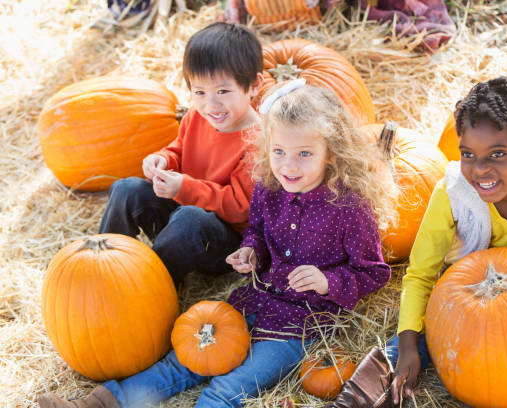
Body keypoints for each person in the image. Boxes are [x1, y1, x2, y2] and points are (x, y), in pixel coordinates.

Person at [38, 82, 398, 407]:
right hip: (256, 297)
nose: (288, 166)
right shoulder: (269, 186)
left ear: (331, 153)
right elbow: (255, 230)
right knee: (182, 363)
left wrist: (326, 281)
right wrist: (251, 251)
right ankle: (94, 405)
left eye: (305, 154)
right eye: (278, 152)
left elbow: (373, 273)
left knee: (226, 390)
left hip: (301, 325)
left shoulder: (349, 208)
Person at [328, 76, 507, 408]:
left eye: (498, 154)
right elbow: (421, 274)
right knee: (415, 339)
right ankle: (357, 399)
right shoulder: (451, 193)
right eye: (468, 154)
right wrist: (408, 346)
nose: (480, 170)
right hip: (470, 286)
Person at [97, 22, 263, 286]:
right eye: (200, 92)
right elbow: (180, 149)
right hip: (182, 211)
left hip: (220, 241)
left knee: (191, 217)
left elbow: (238, 208)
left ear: (253, 86)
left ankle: (148, 285)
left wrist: (184, 187)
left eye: (223, 91)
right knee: (127, 188)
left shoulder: (257, 141)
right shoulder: (197, 115)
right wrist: (163, 159)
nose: (211, 104)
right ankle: (102, 262)